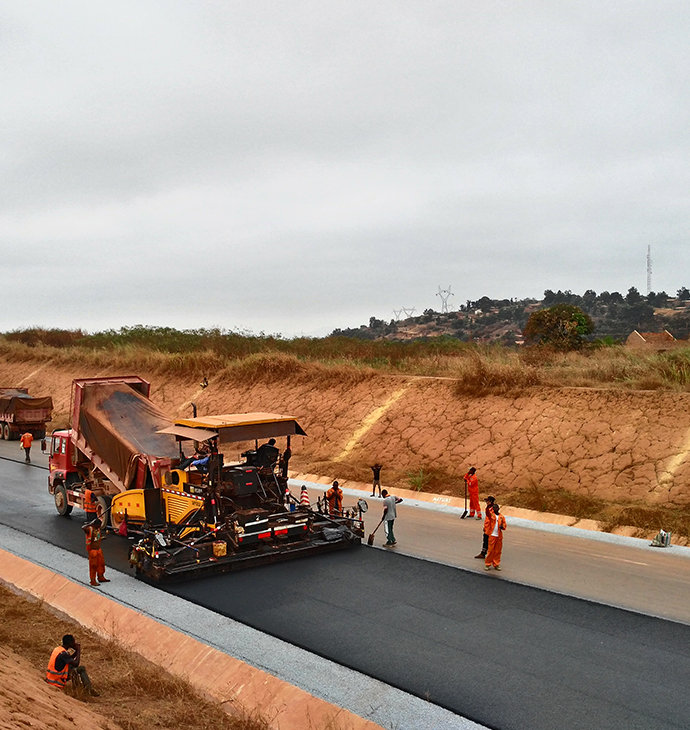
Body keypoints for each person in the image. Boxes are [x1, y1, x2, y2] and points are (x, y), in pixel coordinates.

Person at [82, 518, 109, 587]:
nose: (100, 526)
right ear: (95, 525)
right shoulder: (90, 529)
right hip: (92, 550)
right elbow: (83, 527)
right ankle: (93, 580)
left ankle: (101, 576)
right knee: (93, 565)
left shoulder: (98, 529)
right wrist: (90, 524)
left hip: (98, 549)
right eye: (99, 525)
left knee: (101, 564)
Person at [485, 503, 507, 571]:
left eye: (496, 508)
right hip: (492, 536)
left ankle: (496, 564)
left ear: (498, 509)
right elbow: (487, 513)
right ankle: (488, 564)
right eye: (493, 508)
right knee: (490, 551)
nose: (495, 509)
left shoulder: (501, 517)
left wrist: (502, 527)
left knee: (497, 551)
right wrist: (487, 507)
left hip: (499, 536)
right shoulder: (491, 515)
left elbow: (504, 525)